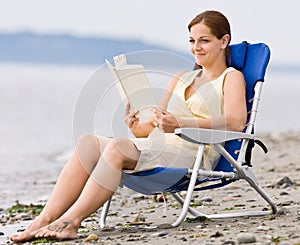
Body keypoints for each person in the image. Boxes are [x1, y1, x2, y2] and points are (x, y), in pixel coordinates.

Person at [11, 10, 247, 242]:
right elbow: (157, 125)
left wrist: (182, 122)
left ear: (224, 41)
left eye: (204, 41)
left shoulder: (230, 77)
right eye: (192, 41)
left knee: (117, 148)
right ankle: (43, 220)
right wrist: (137, 127)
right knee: (88, 142)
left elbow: (236, 121)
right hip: (161, 146)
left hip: (193, 152)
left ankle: (70, 222)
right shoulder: (182, 77)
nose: (197, 47)